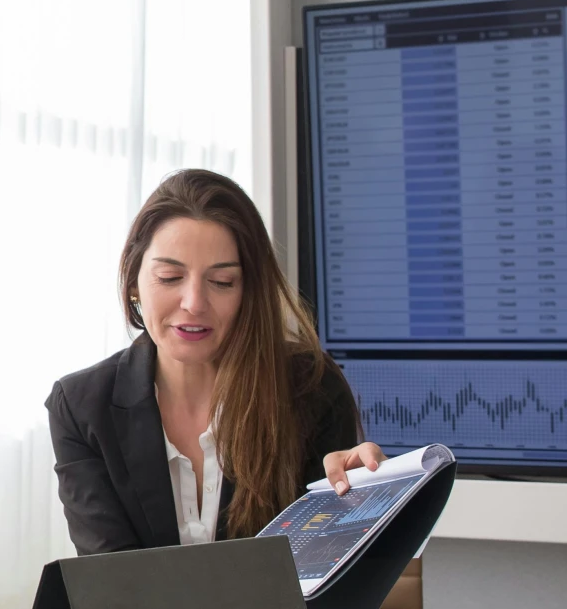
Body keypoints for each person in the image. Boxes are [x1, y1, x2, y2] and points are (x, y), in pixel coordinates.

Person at [46, 168, 386, 553]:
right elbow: (111, 581)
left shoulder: (311, 389)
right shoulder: (80, 406)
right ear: (134, 284)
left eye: (222, 282)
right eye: (170, 277)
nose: (193, 303)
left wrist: (365, 503)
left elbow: (319, 573)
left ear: (249, 291)